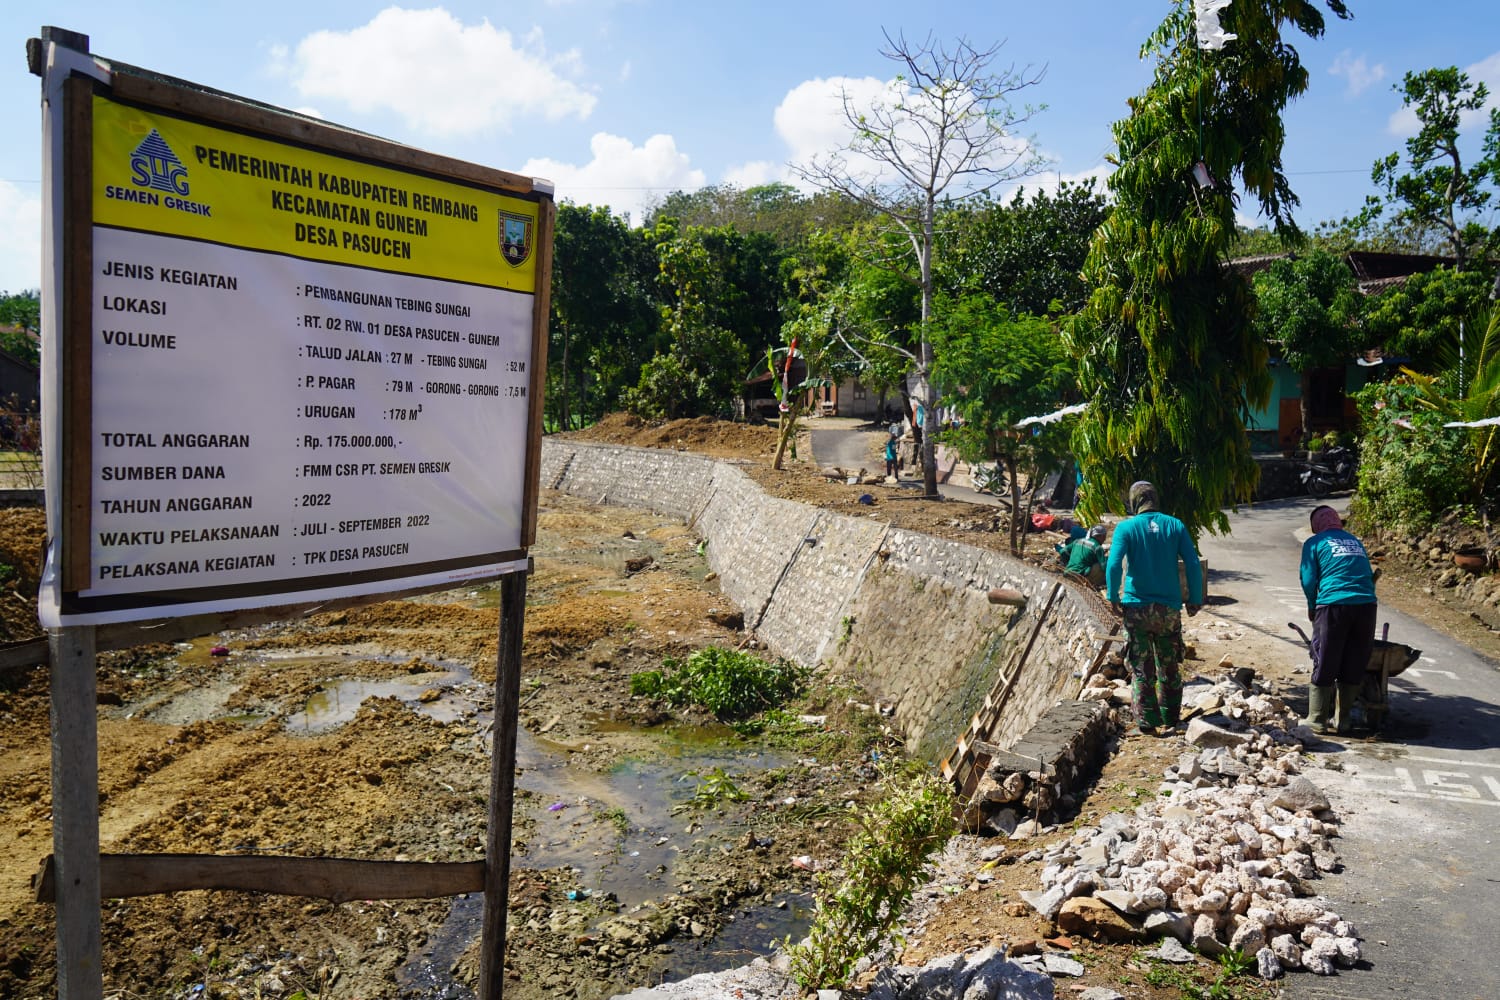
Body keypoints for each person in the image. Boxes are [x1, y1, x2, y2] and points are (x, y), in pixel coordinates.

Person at [1106, 481, 1204, 736]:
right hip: (1168, 609)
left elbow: (1114, 565)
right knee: (1169, 664)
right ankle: (1170, 716)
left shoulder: (1126, 527)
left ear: (1134, 501)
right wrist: (1195, 598)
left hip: (1136, 608)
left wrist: (1112, 594)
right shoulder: (1175, 525)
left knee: (1141, 665)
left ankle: (1147, 720)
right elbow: (1192, 563)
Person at [1298, 505, 1376, 734]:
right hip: (1367, 607)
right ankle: (1343, 720)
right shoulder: (1356, 542)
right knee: (1354, 659)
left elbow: (1309, 579)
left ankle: (1317, 719)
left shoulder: (1314, 543)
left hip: (1334, 605)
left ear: (1317, 525)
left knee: (1326, 657)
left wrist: (1312, 606)